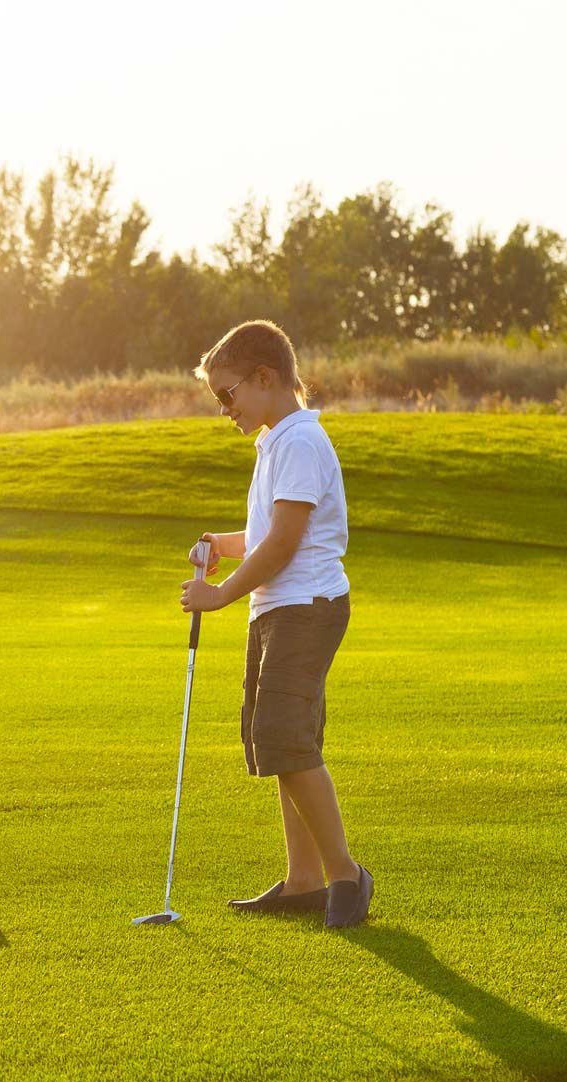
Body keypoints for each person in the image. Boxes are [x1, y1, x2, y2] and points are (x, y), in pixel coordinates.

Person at [180, 320, 373, 929]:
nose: (224, 409)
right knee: (274, 740)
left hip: (305, 605)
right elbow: (266, 535)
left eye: (227, 394)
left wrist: (220, 596)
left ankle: (345, 875)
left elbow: (288, 542)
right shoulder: (276, 442)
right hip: (279, 608)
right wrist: (221, 543)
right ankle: (303, 881)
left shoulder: (299, 442)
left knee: (287, 738)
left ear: (265, 378)